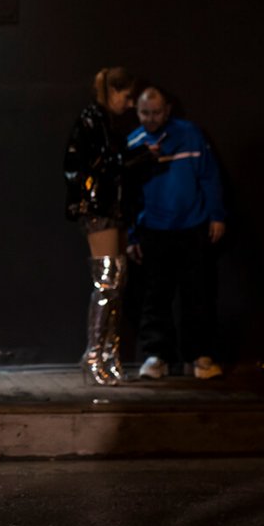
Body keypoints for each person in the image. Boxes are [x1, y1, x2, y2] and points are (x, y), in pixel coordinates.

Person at [125, 86, 227, 379]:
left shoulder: (190, 134)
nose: (152, 118)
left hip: (192, 226)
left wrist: (217, 215)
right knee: (155, 296)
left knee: (198, 294)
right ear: (137, 111)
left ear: (167, 109)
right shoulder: (134, 143)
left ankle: (199, 356)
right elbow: (129, 194)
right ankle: (157, 356)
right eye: (145, 113)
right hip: (154, 230)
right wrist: (133, 236)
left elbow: (209, 176)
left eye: (157, 112)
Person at [63, 66, 152, 385]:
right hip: (99, 208)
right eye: (126, 96)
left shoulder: (103, 121)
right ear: (113, 91)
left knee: (115, 280)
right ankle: (94, 355)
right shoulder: (92, 120)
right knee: (106, 280)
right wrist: (140, 157)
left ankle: (107, 355)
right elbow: (85, 166)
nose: (129, 104)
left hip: (111, 207)